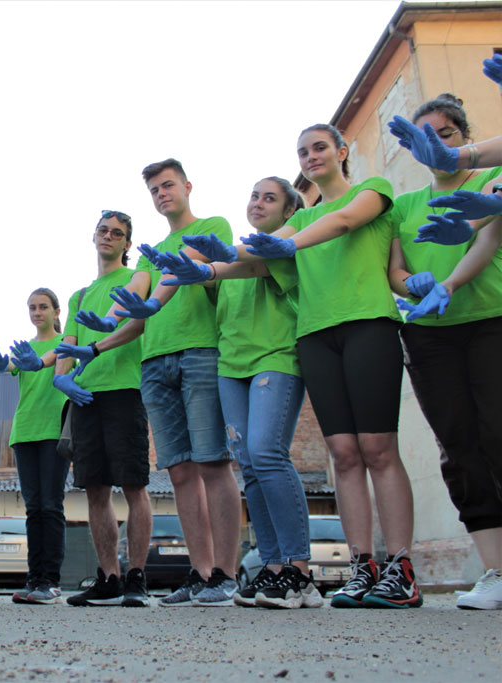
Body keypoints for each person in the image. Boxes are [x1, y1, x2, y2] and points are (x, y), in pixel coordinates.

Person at [182, 124, 421, 609]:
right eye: (302, 151)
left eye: (319, 148)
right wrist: (208, 266)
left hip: (368, 324)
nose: (311, 156)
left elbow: (344, 222)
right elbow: (255, 259)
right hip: (315, 336)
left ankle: (400, 567)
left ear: (341, 151)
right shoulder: (301, 220)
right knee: (343, 454)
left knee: (377, 448)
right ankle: (362, 567)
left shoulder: (372, 192)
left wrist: (286, 244)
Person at [70, 163, 242, 607]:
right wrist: (105, 326)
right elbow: (137, 294)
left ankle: (226, 574)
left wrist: (145, 305)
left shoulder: (212, 226)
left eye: (168, 185)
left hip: (199, 352)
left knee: (213, 462)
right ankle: (201, 573)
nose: (161, 193)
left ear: (187, 187)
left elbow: (175, 276)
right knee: (180, 472)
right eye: (153, 189)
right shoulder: (149, 253)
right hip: (154, 364)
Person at [150, 178, 320, 609]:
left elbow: (249, 263)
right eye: (254, 196)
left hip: (274, 359)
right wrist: (200, 270)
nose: (258, 203)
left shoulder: (277, 249)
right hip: (230, 367)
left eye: (270, 198)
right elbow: (219, 278)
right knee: (248, 463)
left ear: (289, 212)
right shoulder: (233, 257)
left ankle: (301, 573)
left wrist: (212, 262)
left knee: (266, 453)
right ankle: (275, 567)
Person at [386, 94, 502, 610]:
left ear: (464, 136)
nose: (433, 146)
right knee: (458, 446)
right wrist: (413, 285)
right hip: (429, 336)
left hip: (490, 322)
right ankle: (496, 571)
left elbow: (487, 243)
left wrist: (450, 283)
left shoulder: (490, 179)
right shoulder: (404, 206)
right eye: (423, 138)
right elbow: (395, 269)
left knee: (499, 433)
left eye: (445, 134)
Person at [53, 210, 152, 608]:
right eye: (103, 230)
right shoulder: (79, 296)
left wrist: (95, 347)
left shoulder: (136, 278)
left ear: (128, 243)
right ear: (93, 237)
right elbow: (67, 342)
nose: (108, 236)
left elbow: (137, 324)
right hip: (85, 396)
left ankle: (137, 577)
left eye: (117, 233)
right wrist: (61, 377)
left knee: (134, 485)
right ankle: (109, 577)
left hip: (124, 389)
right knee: (95, 489)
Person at [0, 289, 69, 605]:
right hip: (24, 433)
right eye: (32, 307)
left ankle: (51, 581)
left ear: (56, 311)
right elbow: (9, 365)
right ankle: (34, 579)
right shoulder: (25, 348)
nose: (37, 312)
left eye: (43, 307)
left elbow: (59, 363)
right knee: (33, 509)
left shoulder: (66, 343)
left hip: (53, 432)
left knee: (51, 505)